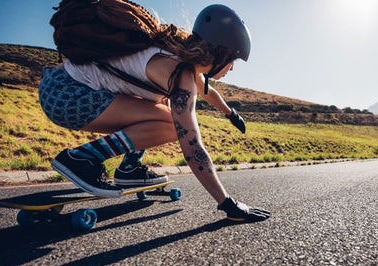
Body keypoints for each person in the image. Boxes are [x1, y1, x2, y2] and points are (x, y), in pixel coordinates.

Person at [38, 4, 270, 222]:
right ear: (222, 53)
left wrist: (231, 113)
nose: (232, 68)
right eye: (233, 60)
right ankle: (81, 158)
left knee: (161, 110)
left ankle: (129, 169)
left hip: (60, 87)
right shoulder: (178, 73)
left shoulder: (180, 58)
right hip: (66, 95)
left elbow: (208, 92)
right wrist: (228, 203)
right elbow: (192, 145)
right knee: (172, 123)